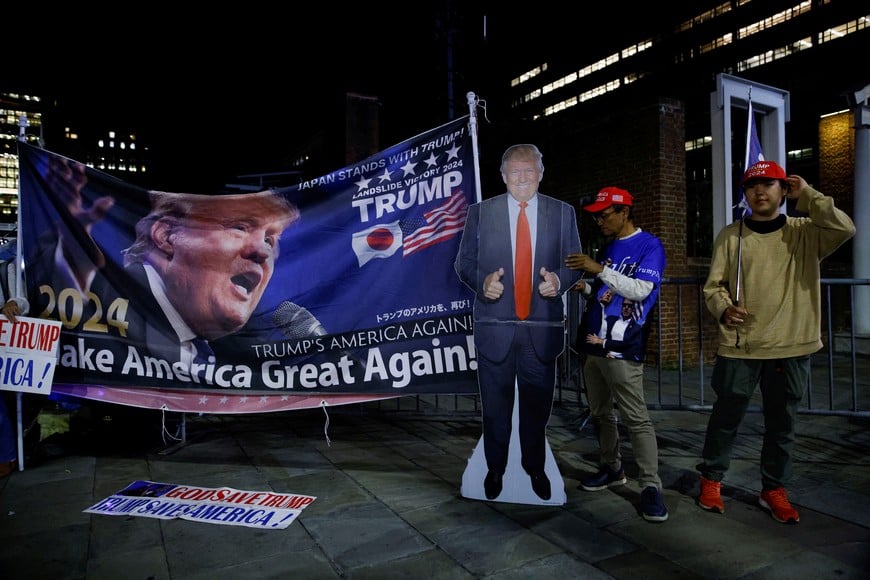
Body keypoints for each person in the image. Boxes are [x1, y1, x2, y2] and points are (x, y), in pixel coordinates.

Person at [24, 154, 301, 379]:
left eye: (270, 239)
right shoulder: (102, 292)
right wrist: (60, 241)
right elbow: (52, 288)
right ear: (167, 235)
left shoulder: (223, 345)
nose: (263, 250)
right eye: (239, 227)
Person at [696, 160, 855, 524]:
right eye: (752, 185)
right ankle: (711, 479)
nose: (760, 191)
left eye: (770, 184)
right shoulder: (731, 235)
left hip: (792, 344)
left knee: (782, 425)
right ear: (745, 193)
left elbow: (846, 227)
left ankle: (773, 489)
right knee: (725, 418)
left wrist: (810, 196)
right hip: (741, 345)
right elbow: (713, 286)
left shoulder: (805, 232)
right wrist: (722, 308)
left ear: (785, 191)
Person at [455, 143, 582, 501]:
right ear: (503, 175)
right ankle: (495, 469)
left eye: (530, 171)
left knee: (536, 408)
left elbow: (573, 263)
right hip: (494, 328)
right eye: (515, 171)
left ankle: (534, 467)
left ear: (541, 173)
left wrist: (559, 280)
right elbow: (463, 263)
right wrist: (483, 283)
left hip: (540, 331)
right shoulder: (481, 213)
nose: (522, 178)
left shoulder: (562, 213)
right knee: (494, 407)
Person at [565, 186, 668, 523]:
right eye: (596, 215)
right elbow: (610, 290)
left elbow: (641, 290)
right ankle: (612, 468)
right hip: (594, 342)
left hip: (624, 347)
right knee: (600, 413)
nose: (599, 221)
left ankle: (651, 485)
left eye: (604, 214)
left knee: (636, 418)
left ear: (625, 211)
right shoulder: (610, 247)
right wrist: (588, 287)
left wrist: (598, 270)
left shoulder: (649, 245)